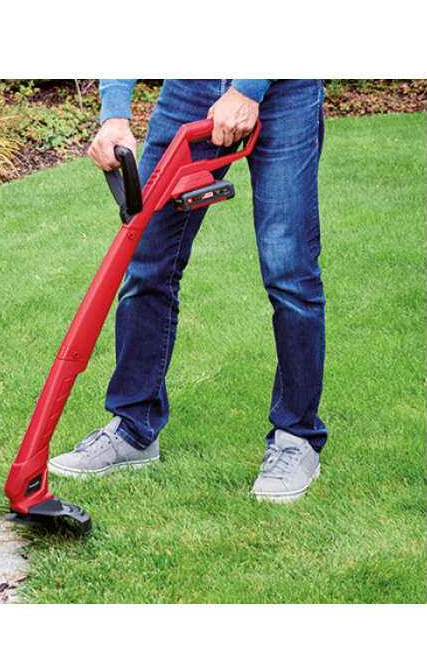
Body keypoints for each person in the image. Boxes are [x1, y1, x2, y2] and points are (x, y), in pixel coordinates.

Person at [49, 79, 327, 503]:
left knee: (288, 269)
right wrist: (115, 113)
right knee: (148, 260)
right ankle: (134, 429)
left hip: (285, 89)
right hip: (192, 85)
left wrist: (247, 89)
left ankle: (297, 438)